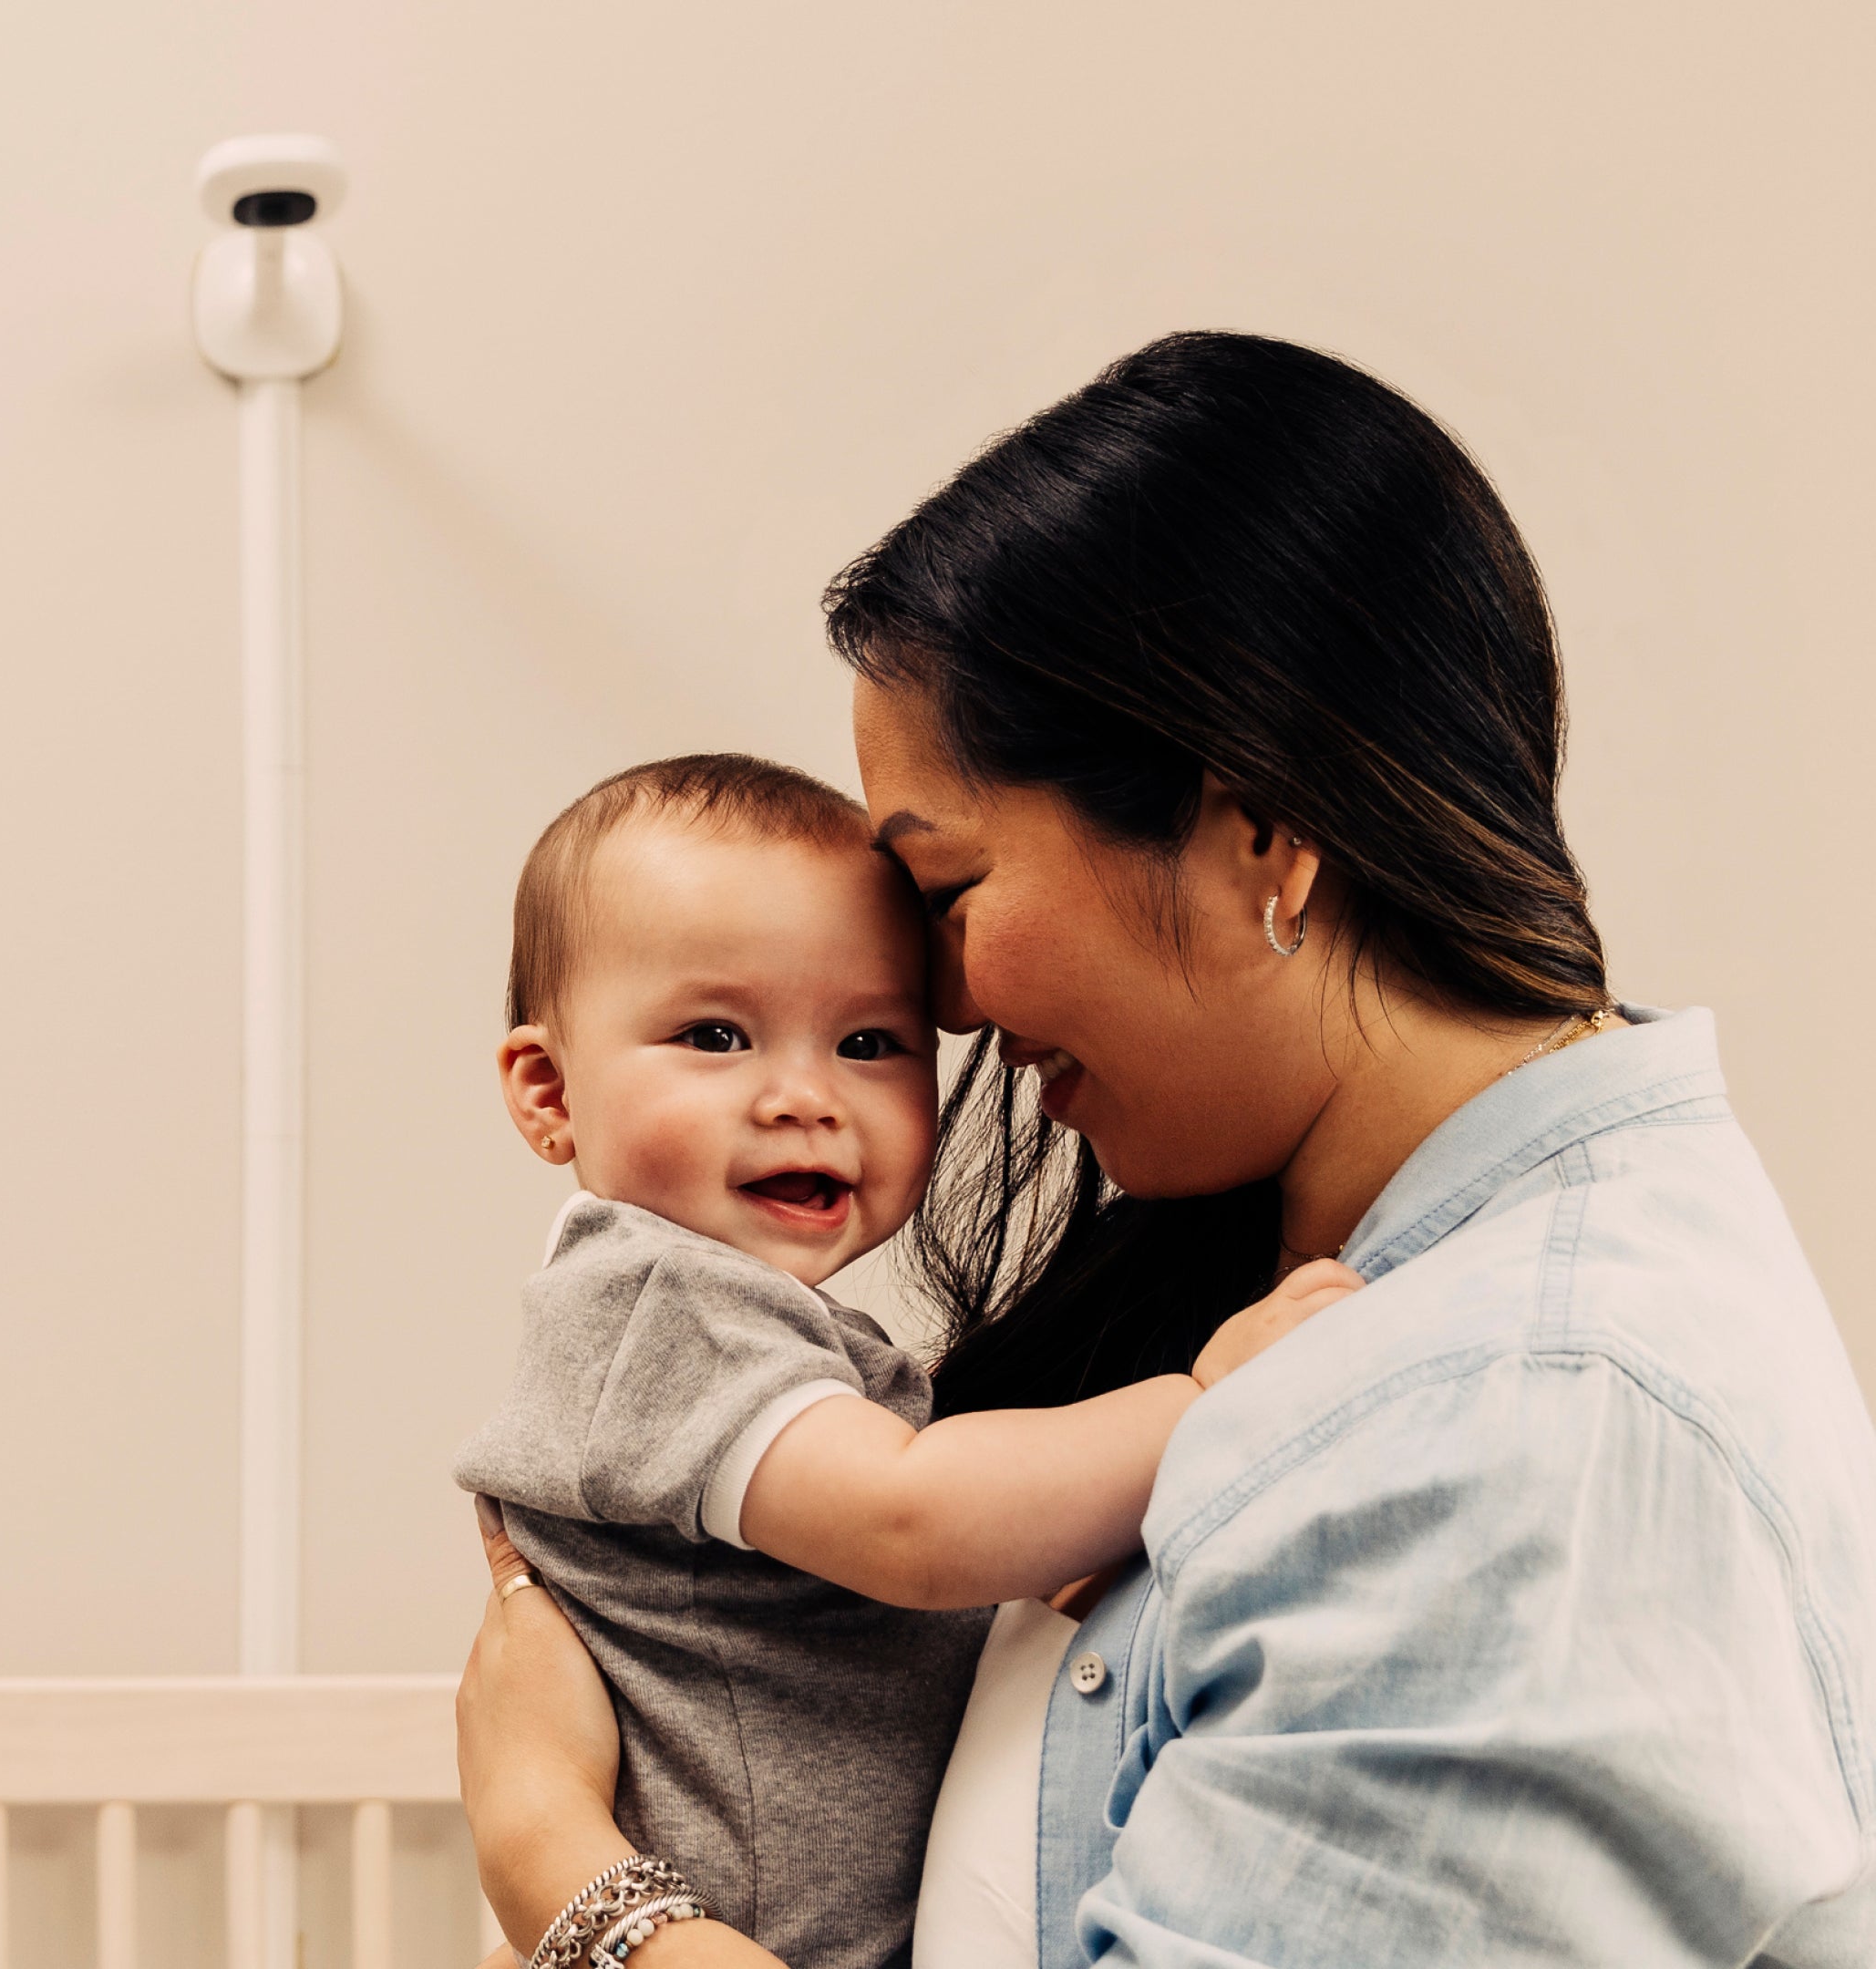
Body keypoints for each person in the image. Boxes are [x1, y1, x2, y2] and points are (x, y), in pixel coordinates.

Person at [458, 334, 1876, 1968]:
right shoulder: (1332, 1295)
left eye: (951, 894)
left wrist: (561, 1865)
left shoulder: (1519, 1430)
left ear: (1260, 833)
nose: (948, 1006)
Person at [455, 750, 1354, 1969]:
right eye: (717, 1035)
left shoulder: (787, 1338)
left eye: (871, 1042)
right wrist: (1200, 1403)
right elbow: (911, 1522)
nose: (805, 1097)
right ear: (548, 1089)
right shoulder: (655, 1307)